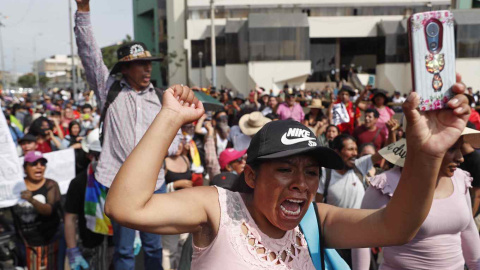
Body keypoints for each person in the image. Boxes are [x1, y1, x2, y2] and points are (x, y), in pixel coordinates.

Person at [105, 80, 471, 269]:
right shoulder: (217, 209)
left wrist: (426, 154)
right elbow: (125, 207)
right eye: (284, 169)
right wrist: (169, 117)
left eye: (311, 172)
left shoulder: (315, 219)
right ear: (250, 176)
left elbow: (397, 227)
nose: (300, 183)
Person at [74, 0, 181, 269]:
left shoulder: (160, 98)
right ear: (124, 68)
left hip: (154, 181)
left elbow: (174, 138)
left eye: (149, 63)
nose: (147, 69)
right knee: (122, 250)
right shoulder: (108, 90)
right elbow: (90, 55)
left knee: (153, 247)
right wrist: (84, 12)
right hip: (118, 180)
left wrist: (172, 146)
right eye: (140, 64)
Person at [352, 132, 480, 270]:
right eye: (451, 149)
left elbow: (468, 229)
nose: (460, 158)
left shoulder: (460, 178)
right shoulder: (386, 184)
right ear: (424, 148)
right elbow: (361, 238)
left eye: (460, 148)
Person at [64, 129, 112, 270]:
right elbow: (70, 218)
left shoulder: (122, 179)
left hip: (118, 245)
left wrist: (135, 235)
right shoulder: (79, 183)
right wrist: (72, 250)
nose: (103, 160)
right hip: (90, 245)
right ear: (89, 155)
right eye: (98, 155)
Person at [12, 151, 61, 270]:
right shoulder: (16, 186)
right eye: (34, 164)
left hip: (48, 242)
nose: (39, 166)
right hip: (24, 243)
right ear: (25, 168)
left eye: (42, 163)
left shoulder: (51, 185)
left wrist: (31, 200)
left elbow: (49, 210)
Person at [163, 138, 193, 270]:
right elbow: (157, 188)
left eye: (180, 141)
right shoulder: (163, 162)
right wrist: (175, 185)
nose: (179, 145)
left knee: (184, 246)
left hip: (186, 209)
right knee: (169, 251)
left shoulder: (186, 159)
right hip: (169, 211)